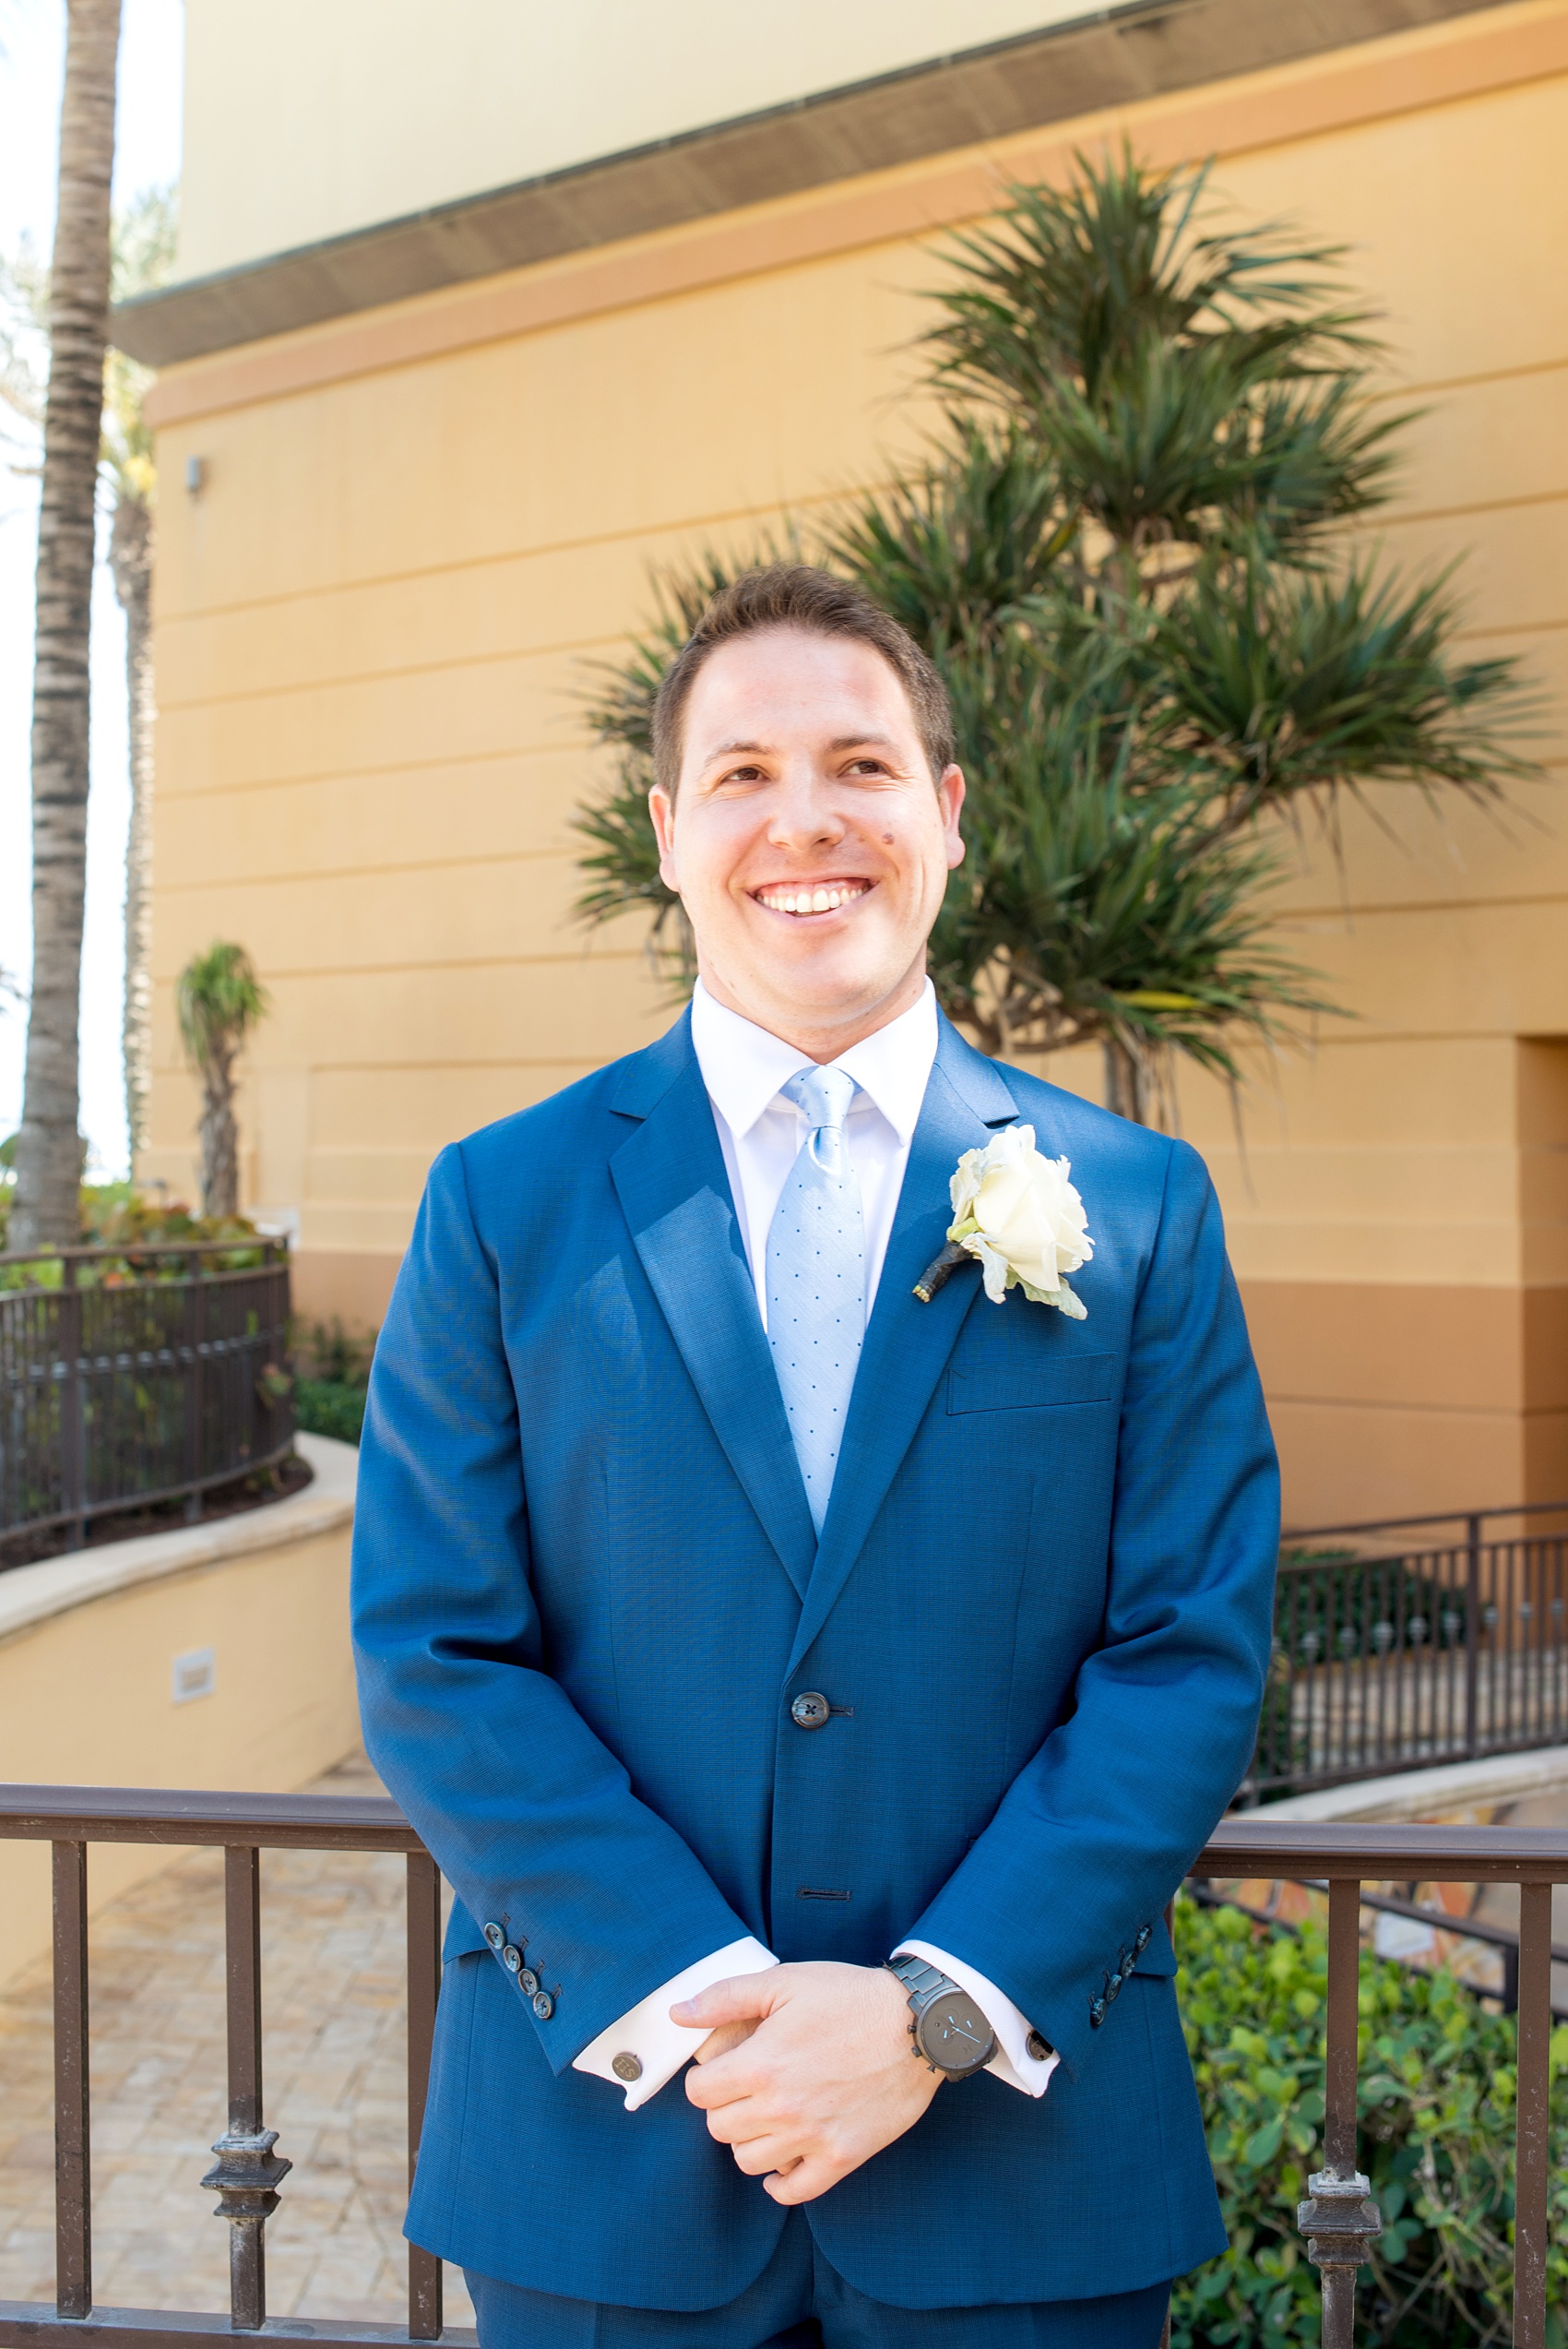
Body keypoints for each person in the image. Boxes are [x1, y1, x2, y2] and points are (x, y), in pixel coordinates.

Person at [350, 565, 1279, 2349]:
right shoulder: (503, 1201)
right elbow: (435, 1653)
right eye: (743, 773)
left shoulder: (1140, 1207)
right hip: (608, 2158)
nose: (806, 822)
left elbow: (1189, 1652)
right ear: (670, 832)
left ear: (943, 814)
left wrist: (929, 2012)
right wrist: (705, 1997)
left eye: (859, 764)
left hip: (1022, 2166)